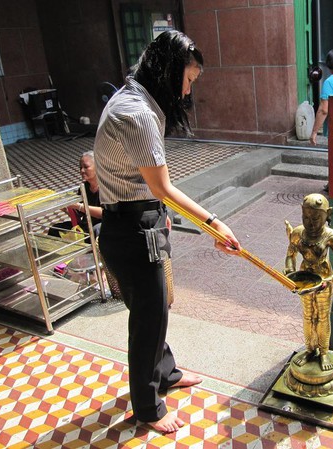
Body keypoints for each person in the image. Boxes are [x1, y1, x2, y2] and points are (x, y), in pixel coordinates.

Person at [93, 30, 241, 434]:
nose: (189, 90)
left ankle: (167, 372)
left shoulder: (134, 97)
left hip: (134, 219)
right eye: (189, 79)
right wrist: (213, 223)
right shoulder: (138, 113)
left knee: (153, 310)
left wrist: (159, 211)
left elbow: (148, 187)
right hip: (130, 229)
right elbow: (161, 185)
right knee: (149, 317)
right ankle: (147, 407)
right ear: (171, 70)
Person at [284, 193, 333, 371]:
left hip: (323, 277)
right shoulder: (299, 233)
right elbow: (290, 255)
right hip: (304, 278)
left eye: (316, 218)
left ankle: (323, 352)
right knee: (308, 316)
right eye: (306, 217)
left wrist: (329, 279)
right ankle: (309, 349)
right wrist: (290, 271)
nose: (311, 223)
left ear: (327, 215)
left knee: (322, 317)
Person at [48, 151, 102, 238]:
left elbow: (104, 213)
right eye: (80, 167)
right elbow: (78, 216)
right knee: (54, 229)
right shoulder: (83, 187)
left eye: (86, 167)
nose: (82, 171)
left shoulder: (106, 188)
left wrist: (79, 206)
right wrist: (65, 208)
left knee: (97, 230)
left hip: (103, 226)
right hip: (85, 227)